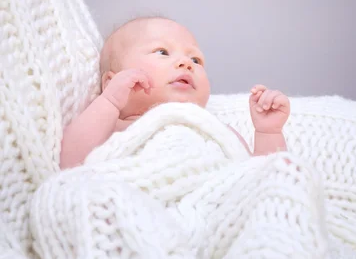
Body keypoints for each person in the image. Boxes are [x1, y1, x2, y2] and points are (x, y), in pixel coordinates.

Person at [60, 17, 290, 169]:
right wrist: (108, 100)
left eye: (196, 59)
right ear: (113, 81)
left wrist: (268, 133)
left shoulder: (215, 129)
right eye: (162, 51)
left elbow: (261, 177)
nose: (185, 63)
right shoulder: (115, 127)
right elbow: (69, 162)